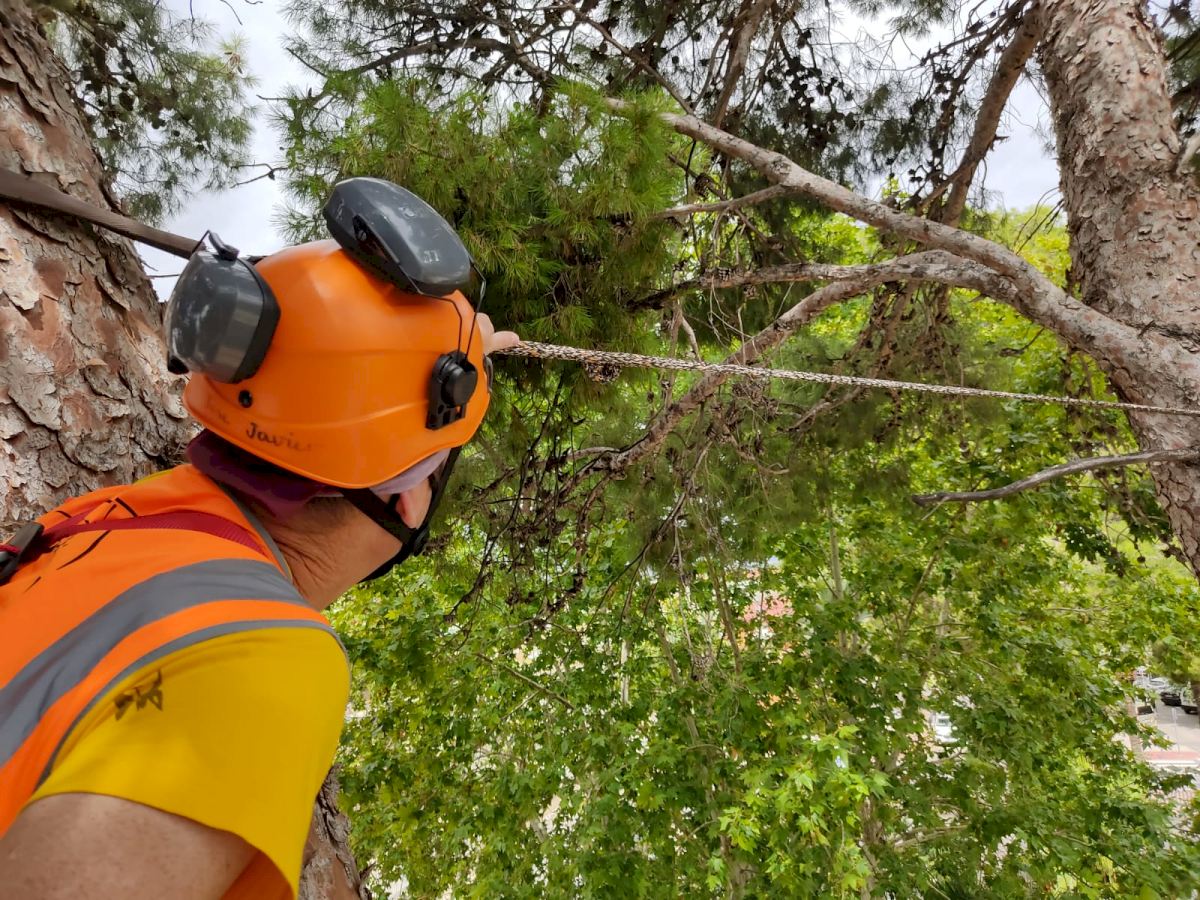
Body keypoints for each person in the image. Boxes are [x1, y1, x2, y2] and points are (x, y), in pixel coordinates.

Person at [0, 179, 518, 899]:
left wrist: (426, 351)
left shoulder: (107, 521)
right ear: (405, 494)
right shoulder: (263, 656)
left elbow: (309, 367)